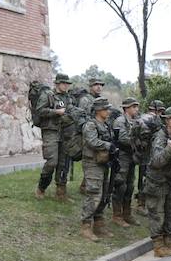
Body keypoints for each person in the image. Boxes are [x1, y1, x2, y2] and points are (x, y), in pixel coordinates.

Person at [145, 107, 171, 258]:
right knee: (157, 213)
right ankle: (158, 246)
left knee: (170, 211)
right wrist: (170, 147)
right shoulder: (160, 137)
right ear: (166, 120)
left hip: (169, 179)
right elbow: (157, 161)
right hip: (156, 180)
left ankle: (169, 240)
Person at [79, 98, 116, 241]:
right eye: (106, 109)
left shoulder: (106, 125)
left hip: (103, 162)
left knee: (104, 193)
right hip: (92, 163)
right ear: (98, 111)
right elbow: (92, 141)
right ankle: (86, 225)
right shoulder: (90, 125)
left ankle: (99, 224)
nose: (108, 111)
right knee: (94, 193)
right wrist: (108, 146)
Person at [35, 73, 74, 201]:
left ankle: (61, 193)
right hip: (50, 131)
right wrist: (56, 112)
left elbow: (72, 112)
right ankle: (41, 187)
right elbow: (39, 111)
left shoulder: (69, 98)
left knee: (63, 163)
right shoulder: (47, 95)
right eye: (63, 83)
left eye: (67, 83)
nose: (66, 86)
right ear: (57, 83)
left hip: (65, 132)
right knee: (52, 161)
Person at [111, 97, 140, 228]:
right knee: (120, 185)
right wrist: (137, 140)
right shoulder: (120, 121)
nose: (136, 109)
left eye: (136, 107)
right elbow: (123, 138)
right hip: (122, 156)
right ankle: (117, 215)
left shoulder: (135, 121)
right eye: (134, 107)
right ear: (126, 108)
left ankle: (127, 213)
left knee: (130, 186)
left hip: (131, 156)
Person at [135, 100, 165, 216]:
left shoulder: (141, 118)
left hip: (141, 152)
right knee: (147, 179)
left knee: (143, 178)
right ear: (159, 110)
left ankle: (142, 203)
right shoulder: (154, 120)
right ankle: (141, 204)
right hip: (149, 153)